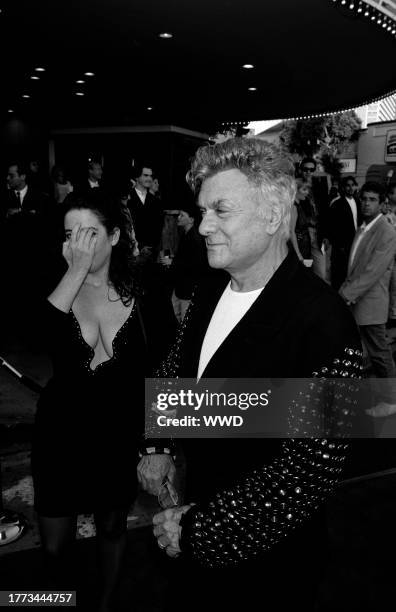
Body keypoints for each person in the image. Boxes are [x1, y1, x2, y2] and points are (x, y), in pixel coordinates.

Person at [147, 138, 362, 610]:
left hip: (271, 565)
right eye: (202, 211)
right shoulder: (207, 293)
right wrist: (158, 445)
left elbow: (310, 469)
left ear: (271, 217)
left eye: (220, 210)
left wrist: (199, 529)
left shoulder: (325, 322)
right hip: (193, 537)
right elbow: (173, 373)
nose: (203, 226)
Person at [31, 190, 175, 611]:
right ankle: (58, 602)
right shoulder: (54, 289)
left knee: (113, 528)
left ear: (114, 236)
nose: (79, 243)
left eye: (89, 233)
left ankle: (106, 603)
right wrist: (75, 273)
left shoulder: (147, 294)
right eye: (70, 234)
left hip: (117, 437)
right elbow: (39, 334)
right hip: (60, 437)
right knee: (56, 546)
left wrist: (157, 445)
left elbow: (164, 375)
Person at [339, 182, 396, 417]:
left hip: (370, 303)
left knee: (379, 352)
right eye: (364, 198)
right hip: (357, 300)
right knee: (355, 350)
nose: (366, 203)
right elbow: (356, 265)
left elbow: (373, 271)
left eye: (372, 199)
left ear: (382, 202)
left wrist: (345, 295)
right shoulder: (364, 226)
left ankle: (391, 400)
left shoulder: (386, 231)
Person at [160, 203, 208, 322]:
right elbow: (186, 257)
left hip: (188, 288)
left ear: (191, 219)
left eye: (182, 215)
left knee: (185, 320)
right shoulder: (186, 234)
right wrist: (173, 259)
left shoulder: (195, 237)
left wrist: (172, 262)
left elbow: (195, 264)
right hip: (181, 286)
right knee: (177, 314)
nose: (178, 217)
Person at [324, 176, 360, 291]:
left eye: (352, 185)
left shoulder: (357, 201)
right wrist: (338, 244)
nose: (350, 188)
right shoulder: (337, 203)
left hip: (354, 242)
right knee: (339, 275)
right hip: (341, 246)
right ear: (343, 187)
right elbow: (332, 225)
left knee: (351, 273)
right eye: (348, 185)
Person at [290, 178, 312, 264]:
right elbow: (291, 231)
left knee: (306, 270)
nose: (307, 192)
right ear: (295, 190)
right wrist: (299, 255)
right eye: (304, 189)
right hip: (300, 247)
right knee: (302, 272)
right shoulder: (293, 207)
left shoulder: (299, 205)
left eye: (308, 190)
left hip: (305, 245)